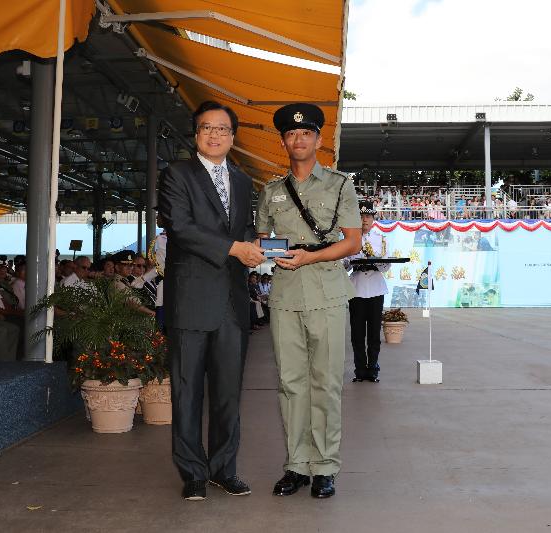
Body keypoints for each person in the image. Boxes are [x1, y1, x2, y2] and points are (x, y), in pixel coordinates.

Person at [158, 100, 264, 501]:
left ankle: (224, 469)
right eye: (207, 128)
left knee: (228, 395)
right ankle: (193, 474)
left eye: (222, 129)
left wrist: (253, 243)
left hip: (232, 304)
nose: (214, 134)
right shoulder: (177, 174)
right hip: (191, 300)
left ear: (233, 136)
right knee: (187, 393)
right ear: (196, 134)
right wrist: (235, 248)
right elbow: (181, 228)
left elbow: (245, 226)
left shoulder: (241, 180)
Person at [256, 103, 361, 499]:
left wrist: (310, 256)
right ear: (283, 141)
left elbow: (353, 241)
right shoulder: (270, 191)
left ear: (318, 139)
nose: (298, 140)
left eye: (305, 134)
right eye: (290, 134)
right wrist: (263, 251)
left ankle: (325, 467)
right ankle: (297, 465)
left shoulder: (339, 185)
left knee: (326, 383)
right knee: (290, 384)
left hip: (329, 294)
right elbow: (264, 241)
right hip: (284, 296)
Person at [343, 201, 390, 383]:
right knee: (357, 333)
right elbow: (345, 265)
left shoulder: (380, 238)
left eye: (368, 216)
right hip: (356, 288)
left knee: (373, 333)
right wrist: (350, 261)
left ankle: (373, 368)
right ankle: (359, 369)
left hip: (376, 288)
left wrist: (373, 260)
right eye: (361, 216)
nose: (365, 220)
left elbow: (386, 266)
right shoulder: (350, 239)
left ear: (373, 219)